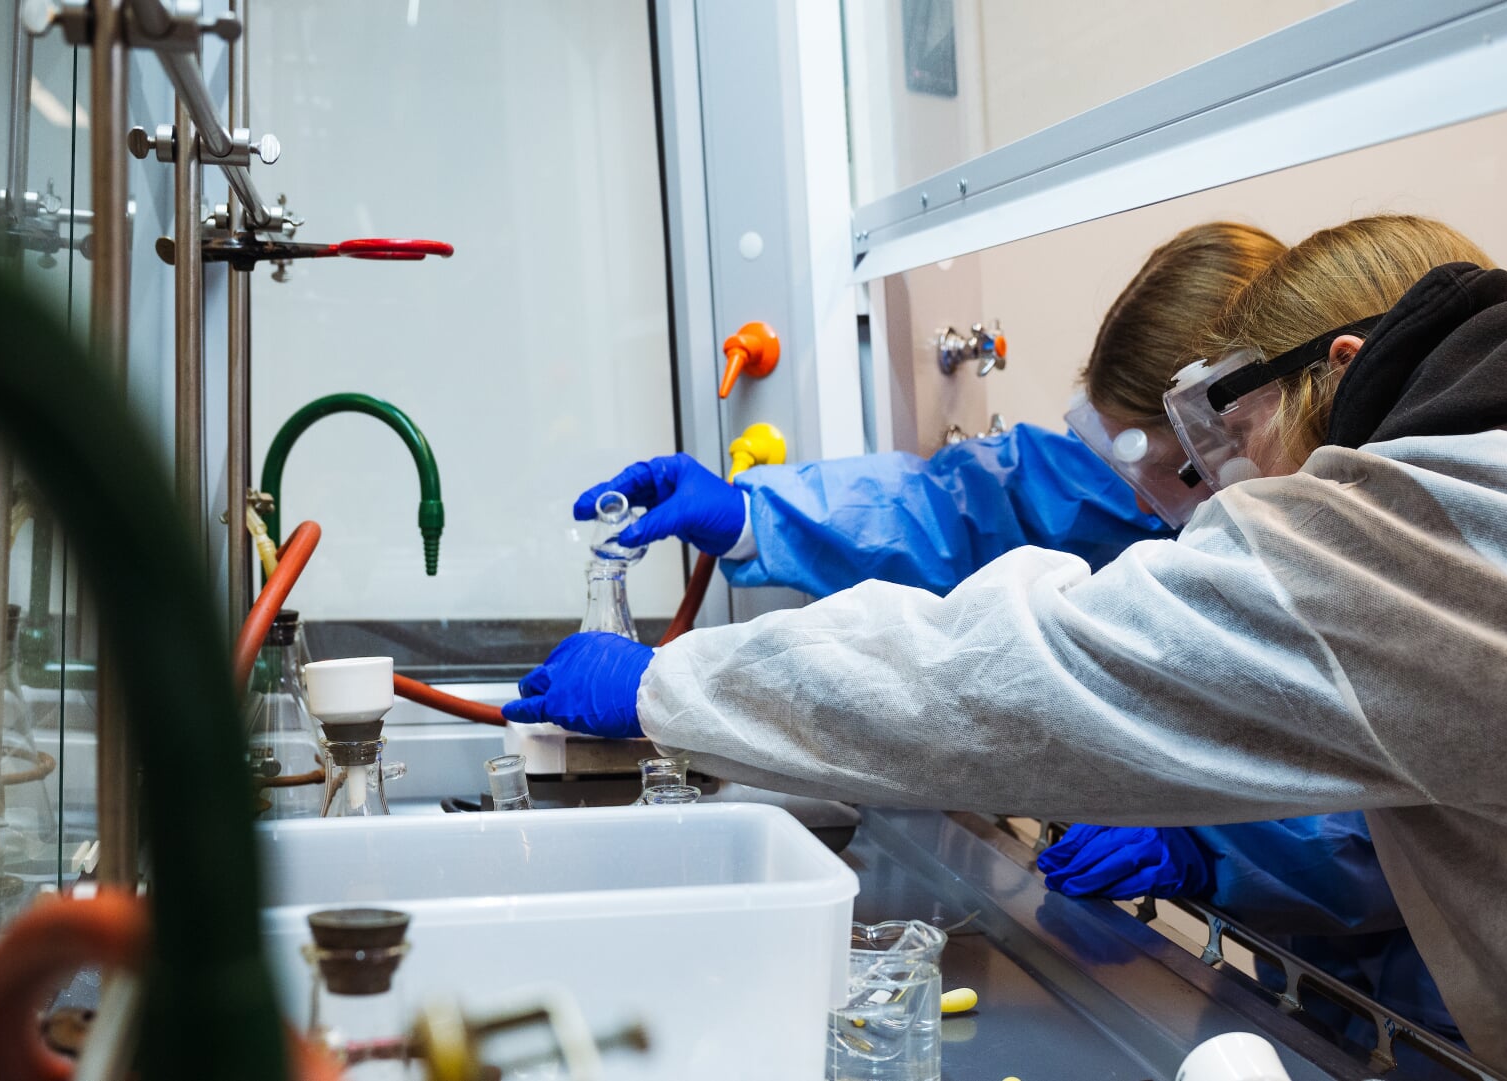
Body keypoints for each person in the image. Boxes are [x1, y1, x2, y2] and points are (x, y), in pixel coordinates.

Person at [506, 212, 1507, 1079]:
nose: (1198, 478)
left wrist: (663, 687)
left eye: (1227, 419)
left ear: (1339, 365)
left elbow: (1010, 677)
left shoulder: (1420, 528)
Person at [540, 221, 1460, 1041]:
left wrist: (1212, 847)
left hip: (1448, 1008)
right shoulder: (1168, 486)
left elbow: (1406, 810)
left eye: (1176, 459)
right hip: (1316, 991)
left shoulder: (1378, 549)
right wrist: (754, 513)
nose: (1154, 491)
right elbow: (973, 504)